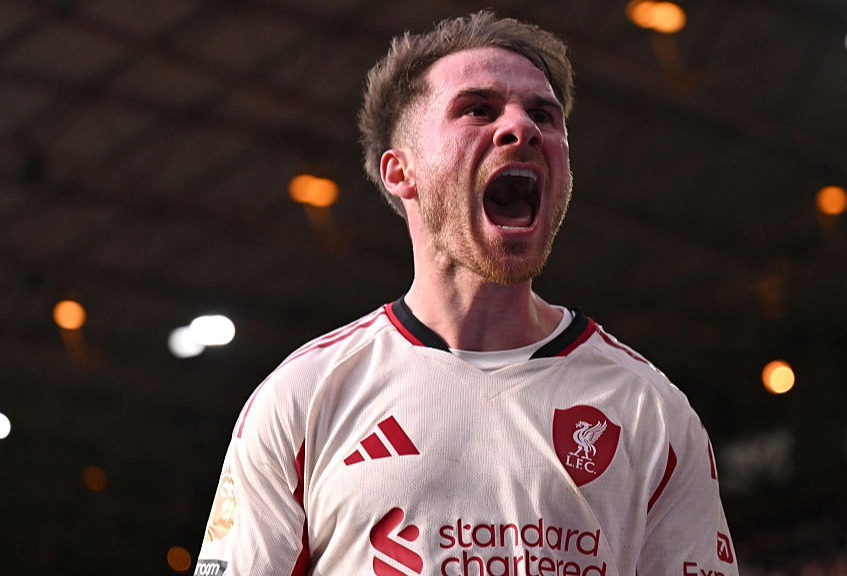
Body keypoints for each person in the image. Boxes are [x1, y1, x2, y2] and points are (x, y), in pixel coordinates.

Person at [194, 11, 738, 576]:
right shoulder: (302, 399)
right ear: (400, 172)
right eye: (478, 109)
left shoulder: (652, 412)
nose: (522, 129)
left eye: (543, 116)